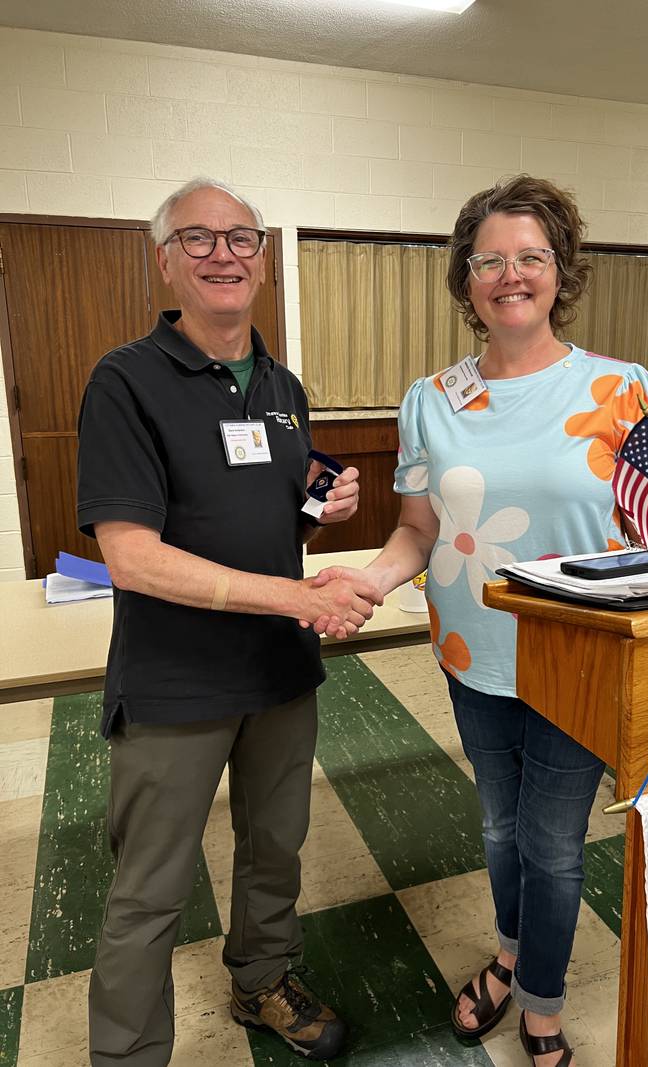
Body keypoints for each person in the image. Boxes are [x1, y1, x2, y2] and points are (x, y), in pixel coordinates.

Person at [309, 174, 648, 1067]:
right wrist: (375, 578)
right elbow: (419, 530)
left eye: (532, 257)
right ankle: (510, 956)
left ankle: (540, 1006)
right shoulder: (431, 399)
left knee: (550, 844)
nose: (513, 274)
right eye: (491, 260)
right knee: (499, 826)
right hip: (472, 652)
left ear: (561, 271)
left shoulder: (627, 392)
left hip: (578, 658)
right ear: (466, 282)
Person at [76, 177, 381, 1066]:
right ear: (165, 261)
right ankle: (128, 1054)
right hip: (176, 682)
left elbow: (265, 526)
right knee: (151, 889)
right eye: (199, 239)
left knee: (274, 850)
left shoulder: (283, 386)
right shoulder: (126, 380)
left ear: (261, 261)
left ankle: (263, 980)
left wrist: (319, 517)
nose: (223, 254)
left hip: (277, 674)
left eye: (241, 238)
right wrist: (297, 596)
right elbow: (131, 556)